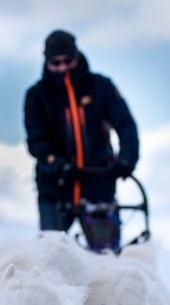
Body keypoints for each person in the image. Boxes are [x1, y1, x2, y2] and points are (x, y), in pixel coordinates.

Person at [23, 29, 139, 241]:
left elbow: (125, 125)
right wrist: (56, 163)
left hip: (98, 185)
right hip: (55, 188)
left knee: (105, 257)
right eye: (55, 63)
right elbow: (36, 140)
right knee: (51, 255)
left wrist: (127, 159)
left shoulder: (101, 87)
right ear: (47, 62)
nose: (62, 67)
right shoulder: (37, 96)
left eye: (67, 61)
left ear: (76, 56)